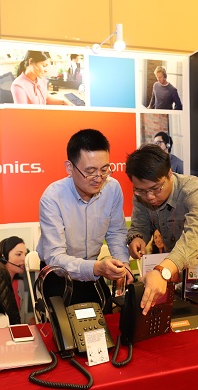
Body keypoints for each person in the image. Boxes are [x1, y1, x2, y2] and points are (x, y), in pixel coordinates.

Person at [125, 144, 198, 314]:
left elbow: (196, 235)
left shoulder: (193, 190)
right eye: (141, 190)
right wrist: (137, 237)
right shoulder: (141, 197)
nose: (149, 197)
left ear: (169, 173)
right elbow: (140, 225)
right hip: (175, 263)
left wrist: (162, 271)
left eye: (156, 188)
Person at [37, 129, 133, 306]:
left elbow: (116, 232)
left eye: (104, 169)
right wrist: (96, 268)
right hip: (59, 275)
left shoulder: (112, 188)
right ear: (70, 167)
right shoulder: (52, 197)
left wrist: (123, 264)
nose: (99, 178)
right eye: (90, 171)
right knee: (64, 323)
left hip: (93, 271)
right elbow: (55, 257)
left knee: (105, 316)